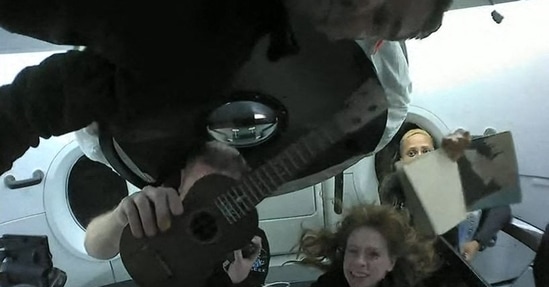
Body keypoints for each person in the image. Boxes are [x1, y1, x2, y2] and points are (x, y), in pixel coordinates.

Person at [0, 0, 454, 186]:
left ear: (373, 42)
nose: (362, 4)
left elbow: (34, 106)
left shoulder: (206, 57)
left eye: (380, 20)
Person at [84, 141, 270, 287]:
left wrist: (239, 281)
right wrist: (120, 217)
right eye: (200, 193)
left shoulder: (249, 243)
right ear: (181, 182)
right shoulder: (157, 216)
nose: (208, 207)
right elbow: (94, 248)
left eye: (219, 199)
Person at [214, 205, 467, 287]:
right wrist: (243, 281)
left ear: (391, 262)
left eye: (373, 254)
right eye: (352, 251)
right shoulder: (336, 285)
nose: (358, 262)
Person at [393, 127, 512, 261]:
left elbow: (501, 209)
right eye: (412, 153)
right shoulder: (393, 193)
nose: (420, 157)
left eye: (426, 151)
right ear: (401, 161)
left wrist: (477, 242)